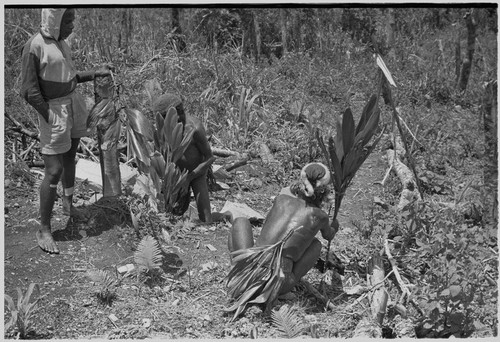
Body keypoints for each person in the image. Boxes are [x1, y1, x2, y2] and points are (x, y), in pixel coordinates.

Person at [20, 8, 111, 254]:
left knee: (71, 156)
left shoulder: (61, 43)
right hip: (54, 110)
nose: (72, 24)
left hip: (72, 104)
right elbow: (28, 90)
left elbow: (69, 78)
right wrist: (49, 116)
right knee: (54, 169)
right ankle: (45, 228)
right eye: (68, 19)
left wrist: (95, 73)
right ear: (54, 19)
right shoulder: (35, 46)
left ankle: (69, 206)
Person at [225, 162, 339, 320]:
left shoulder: (281, 198)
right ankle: (284, 289)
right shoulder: (320, 216)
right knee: (316, 244)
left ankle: (238, 269)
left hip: (248, 272)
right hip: (279, 283)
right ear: (324, 192)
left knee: (240, 221)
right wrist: (334, 224)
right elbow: (329, 235)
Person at [152, 94, 216, 223]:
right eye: (176, 114)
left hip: (196, 173)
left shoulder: (194, 128)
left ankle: (226, 215)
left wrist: (189, 178)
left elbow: (210, 158)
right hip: (176, 176)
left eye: (182, 111)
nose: (181, 117)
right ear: (165, 118)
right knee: (173, 215)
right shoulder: (162, 130)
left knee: (206, 220)